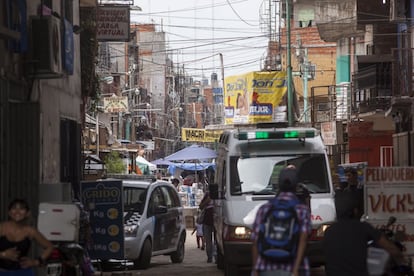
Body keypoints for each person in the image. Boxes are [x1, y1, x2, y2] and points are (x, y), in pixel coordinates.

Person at [323, 191, 404, 276]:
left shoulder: (329, 231)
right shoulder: (363, 227)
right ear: (355, 210)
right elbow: (390, 248)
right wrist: (401, 260)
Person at [251, 166, 312, 276]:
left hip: (266, 267)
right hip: (292, 268)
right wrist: (295, 270)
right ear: (296, 185)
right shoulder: (302, 210)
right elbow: (303, 240)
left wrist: (255, 269)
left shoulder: (265, 208)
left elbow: (255, 241)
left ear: (279, 184)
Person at [0, 198, 54, 274]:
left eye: (21, 209)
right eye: (14, 208)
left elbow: (50, 246)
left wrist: (36, 262)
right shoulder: (2, 228)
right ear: (9, 212)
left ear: (27, 213)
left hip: (24, 272)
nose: (17, 212)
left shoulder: (30, 231)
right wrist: (3, 254)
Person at [199, 192, 215, 263]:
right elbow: (200, 206)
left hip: (216, 222)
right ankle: (210, 257)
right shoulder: (208, 195)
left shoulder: (220, 196)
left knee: (216, 241)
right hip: (207, 222)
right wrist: (207, 201)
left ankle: (216, 257)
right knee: (208, 241)